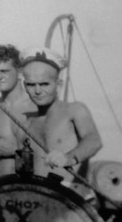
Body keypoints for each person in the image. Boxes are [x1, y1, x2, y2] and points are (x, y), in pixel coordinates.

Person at [14, 48, 102, 189]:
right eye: (31, 84)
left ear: (58, 85)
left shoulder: (74, 110)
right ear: (25, 86)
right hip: (36, 196)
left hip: (70, 197)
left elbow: (94, 141)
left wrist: (68, 158)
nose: (37, 91)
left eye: (44, 84)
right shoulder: (25, 125)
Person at [0, 44, 35, 175]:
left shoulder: (34, 107)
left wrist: (17, 150)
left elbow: (49, 155)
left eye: (4, 71)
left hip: (30, 189)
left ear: (20, 72)